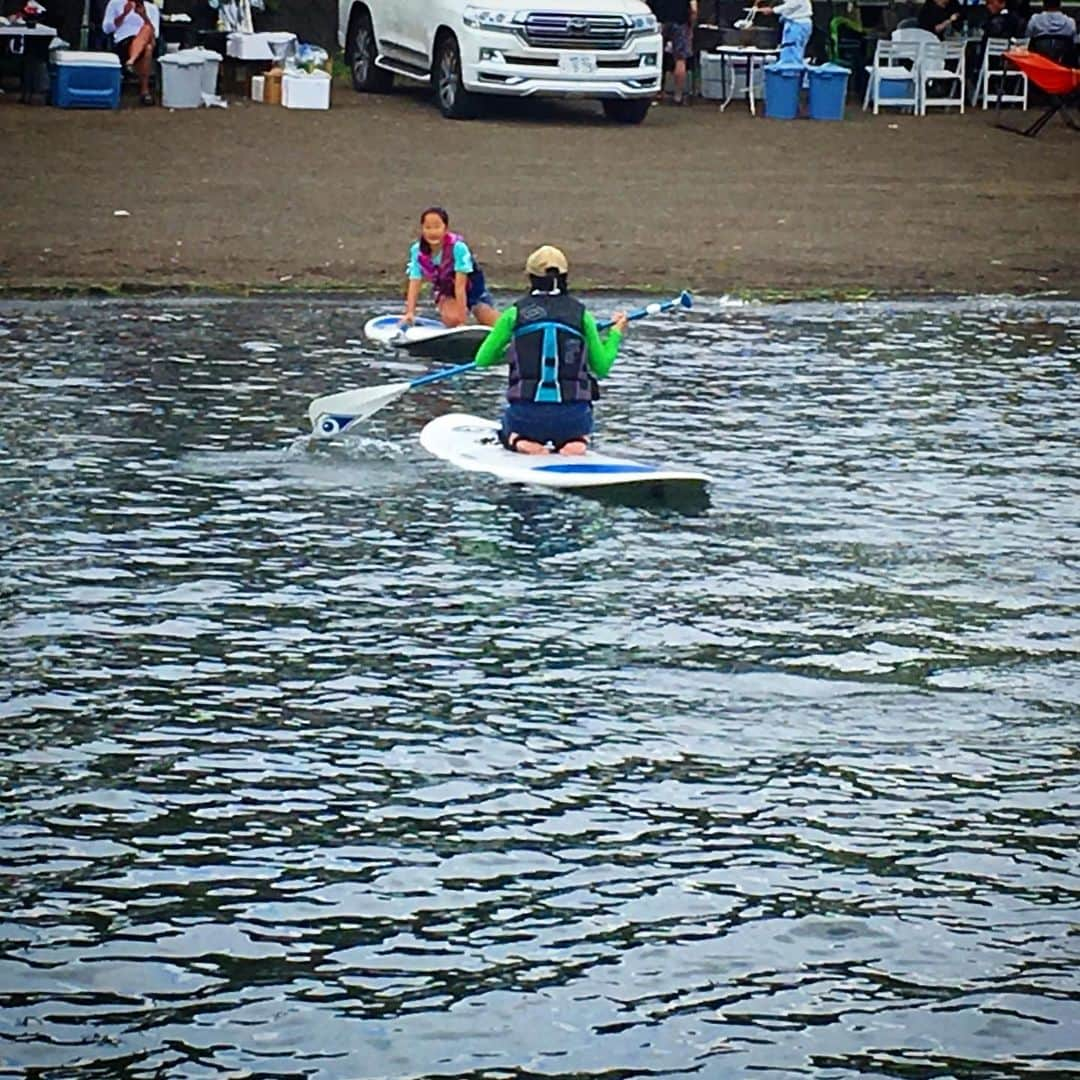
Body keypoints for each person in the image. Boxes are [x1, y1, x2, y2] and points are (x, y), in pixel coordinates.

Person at [472, 246, 628, 457]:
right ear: (564, 277)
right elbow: (601, 367)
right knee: (581, 425)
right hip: (573, 418)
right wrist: (616, 333)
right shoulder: (582, 315)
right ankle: (577, 441)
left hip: (526, 417)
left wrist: (512, 352)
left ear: (530, 277)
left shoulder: (514, 314)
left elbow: (482, 359)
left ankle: (520, 440)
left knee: (507, 427)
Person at [402, 207, 498, 329]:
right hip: (446, 291)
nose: (432, 232)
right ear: (422, 229)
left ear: (445, 229)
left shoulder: (458, 248)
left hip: (473, 290)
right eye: (428, 228)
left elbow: (460, 287)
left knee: (489, 319)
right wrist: (410, 312)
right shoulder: (417, 251)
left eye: (437, 227)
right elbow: (415, 281)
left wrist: (462, 322)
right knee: (452, 320)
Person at [102, 0, 159, 105]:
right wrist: (124, 14)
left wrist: (144, 16)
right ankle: (144, 91)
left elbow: (156, 33)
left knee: (147, 30)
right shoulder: (115, 3)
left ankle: (131, 61)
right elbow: (106, 29)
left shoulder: (151, 8)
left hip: (146, 40)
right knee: (148, 49)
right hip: (124, 42)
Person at [648, 0, 698, 104]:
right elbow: (694, 9)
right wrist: (691, 28)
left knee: (656, 57)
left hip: (659, 22)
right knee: (680, 59)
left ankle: (656, 92)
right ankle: (678, 96)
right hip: (680, 23)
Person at [754, 0, 813, 64]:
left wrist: (773, 10)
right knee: (790, 52)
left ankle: (790, 72)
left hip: (797, 23)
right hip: (794, 23)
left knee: (791, 55)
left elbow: (792, 5)